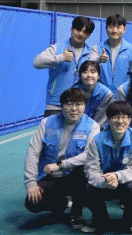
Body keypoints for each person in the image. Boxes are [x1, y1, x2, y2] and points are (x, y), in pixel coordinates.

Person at [24, 88, 100, 230]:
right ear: (62, 106)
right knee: (33, 203)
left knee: (85, 169)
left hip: (75, 177)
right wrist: (31, 183)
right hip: (50, 176)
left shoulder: (92, 126)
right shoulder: (47, 123)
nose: (74, 109)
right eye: (69, 104)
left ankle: (76, 212)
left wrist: (61, 165)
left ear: (85, 106)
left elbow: (89, 155)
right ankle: (59, 204)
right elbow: (32, 152)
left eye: (79, 104)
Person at [81, 101, 132, 233]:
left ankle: (128, 219)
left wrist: (116, 176)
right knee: (87, 188)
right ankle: (100, 219)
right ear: (109, 119)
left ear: (129, 119)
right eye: (115, 117)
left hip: (125, 182)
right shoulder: (97, 140)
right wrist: (105, 181)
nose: (120, 121)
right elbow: (91, 169)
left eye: (124, 117)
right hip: (103, 182)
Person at [33, 16, 95, 116]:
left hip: (79, 106)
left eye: (85, 32)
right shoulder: (57, 48)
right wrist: (61, 57)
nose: (80, 34)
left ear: (89, 35)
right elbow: (36, 62)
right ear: (71, 29)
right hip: (55, 104)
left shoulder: (90, 53)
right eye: (78, 29)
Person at [90, 14, 132, 90]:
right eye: (111, 27)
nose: (114, 30)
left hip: (124, 94)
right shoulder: (96, 49)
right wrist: (98, 60)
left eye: (118, 27)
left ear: (124, 29)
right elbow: (88, 68)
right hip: (102, 94)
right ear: (106, 28)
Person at [73, 61, 114, 128]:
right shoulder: (74, 92)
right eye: (85, 72)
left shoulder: (106, 94)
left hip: (97, 129)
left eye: (93, 72)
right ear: (80, 76)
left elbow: (100, 120)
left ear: (98, 76)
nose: (89, 75)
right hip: (76, 128)